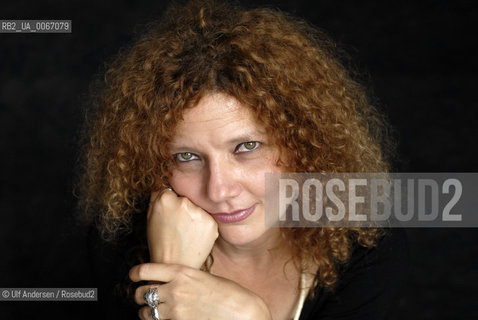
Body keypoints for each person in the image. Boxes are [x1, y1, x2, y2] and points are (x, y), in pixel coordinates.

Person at [76, 0, 408, 319]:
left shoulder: (363, 240)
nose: (219, 190)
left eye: (246, 147)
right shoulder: (118, 243)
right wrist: (172, 276)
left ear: (303, 144)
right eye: (187, 156)